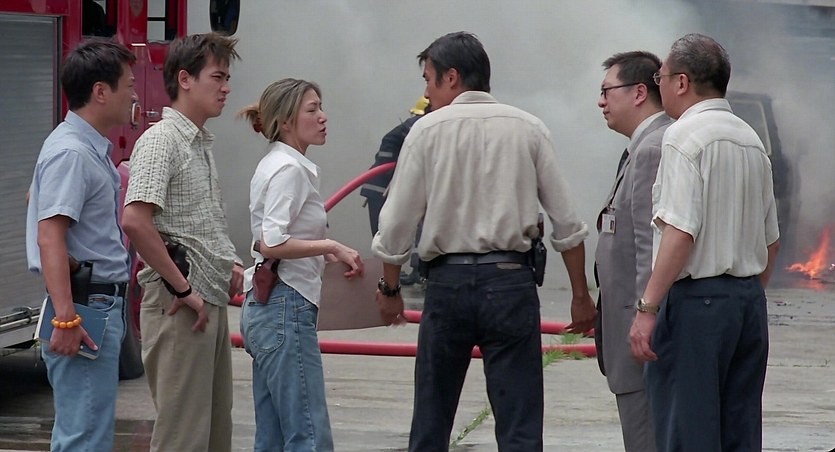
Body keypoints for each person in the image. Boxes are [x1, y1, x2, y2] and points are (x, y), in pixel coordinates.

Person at [371, 31, 597, 451]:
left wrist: (389, 289)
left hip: (447, 288)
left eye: (429, 80)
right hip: (511, 286)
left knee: (431, 423)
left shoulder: (425, 132)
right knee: (519, 429)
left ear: (451, 77)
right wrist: (580, 296)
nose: (426, 93)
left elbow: (396, 223)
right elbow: (568, 223)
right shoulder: (529, 128)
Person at [629, 33, 780, 451]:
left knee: (688, 431)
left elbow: (680, 232)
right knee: (739, 433)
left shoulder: (683, 137)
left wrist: (647, 308)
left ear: (681, 82)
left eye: (660, 78)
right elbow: (771, 242)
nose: (658, 86)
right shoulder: (751, 140)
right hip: (748, 304)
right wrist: (743, 295)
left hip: (697, 305)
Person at [121, 33, 242, 452]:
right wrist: (183, 288)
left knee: (213, 433)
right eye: (218, 77)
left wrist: (230, 263)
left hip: (204, 300)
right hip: (180, 305)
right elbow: (135, 220)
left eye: (227, 79)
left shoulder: (198, 142)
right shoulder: (162, 140)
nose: (226, 88)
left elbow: (197, 222)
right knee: (183, 438)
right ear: (185, 79)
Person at [236, 78, 364, 451]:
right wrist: (331, 245)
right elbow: (272, 241)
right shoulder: (289, 169)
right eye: (312, 109)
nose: (323, 117)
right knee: (308, 433)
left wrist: (323, 254)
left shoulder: (277, 163)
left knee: (273, 435)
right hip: (285, 307)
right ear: (286, 121)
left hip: (267, 308)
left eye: (320, 107)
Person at [25, 39, 136, 451]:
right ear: (100, 91)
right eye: (128, 85)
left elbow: (37, 204)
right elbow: (49, 234)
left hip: (95, 304)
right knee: (84, 438)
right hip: (86, 307)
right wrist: (67, 319)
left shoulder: (83, 148)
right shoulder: (72, 152)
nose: (135, 95)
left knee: (88, 432)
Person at [594, 50, 672, 452]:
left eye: (607, 91)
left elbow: (649, 244)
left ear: (639, 92)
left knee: (646, 438)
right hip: (632, 325)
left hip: (640, 332)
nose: (601, 101)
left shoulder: (653, 148)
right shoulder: (641, 146)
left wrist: (645, 312)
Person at [360, 97, 429, 285]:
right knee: (384, 236)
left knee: (416, 229)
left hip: (389, 188)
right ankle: (386, 279)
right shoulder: (417, 124)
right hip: (380, 189)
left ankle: (416, 271)